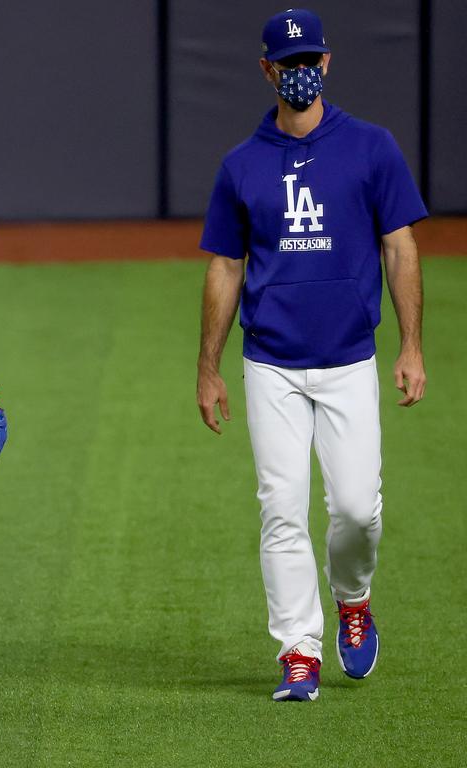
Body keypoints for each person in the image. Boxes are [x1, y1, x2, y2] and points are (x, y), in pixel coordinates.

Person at [196, 9, 427, 702]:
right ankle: (300, 650)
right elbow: (224, 268)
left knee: (358, 509)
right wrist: (208, 367)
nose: (300, 70)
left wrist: (411, 346)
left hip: (351, 357)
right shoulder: (242, 164)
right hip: (270, 361)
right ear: (267, 70)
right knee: (282, 507)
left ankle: (352, 598)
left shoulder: (371, 147)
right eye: (287, 61)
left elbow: (401, 246)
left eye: (310, 58)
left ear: (325, 64)